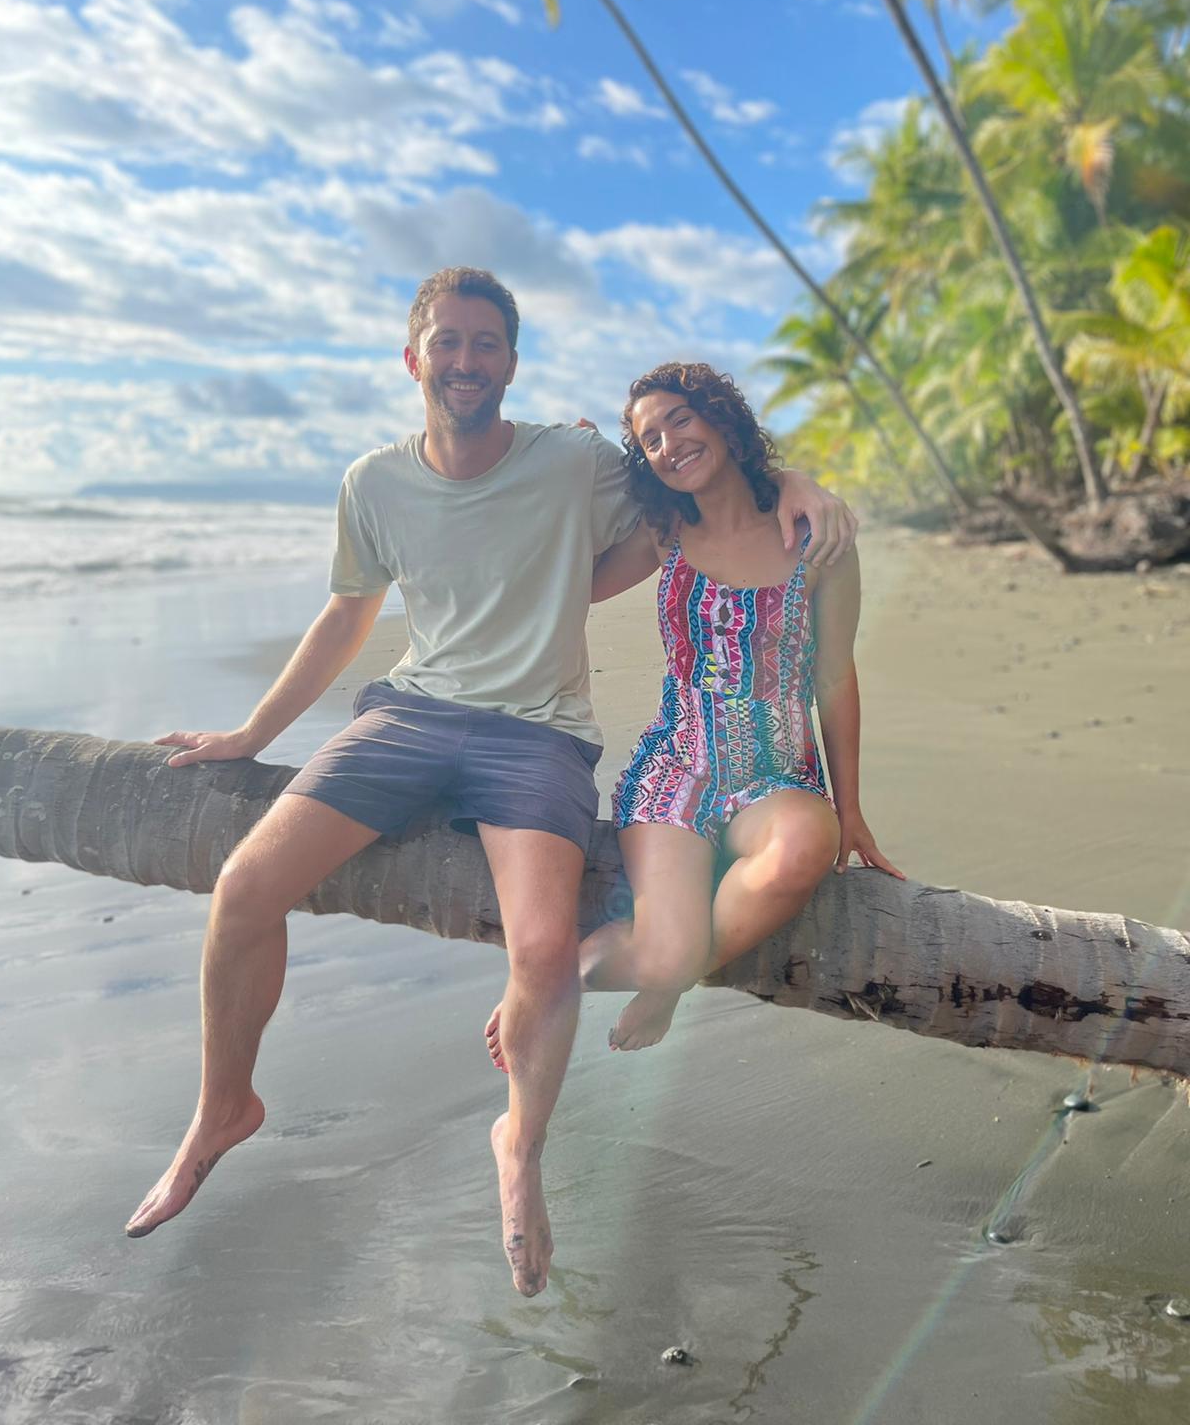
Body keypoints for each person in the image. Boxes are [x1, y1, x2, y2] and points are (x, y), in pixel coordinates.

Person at [122, 269, 857, 1298]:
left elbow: (694, 482)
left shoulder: (574, 458)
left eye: (487, 345)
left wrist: (804, 491)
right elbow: (346, 615)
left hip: (537, 735)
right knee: (247, 887)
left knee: (547, 949)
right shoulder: (372, 482)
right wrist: (253, 730)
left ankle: (520, 1147)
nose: (467, 362)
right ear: (413, 355)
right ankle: (221, 1108)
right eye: (449, 343)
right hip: (408, 715)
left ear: (512, 363)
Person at [576, 362, 901, 1052]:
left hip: (777, 777)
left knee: (800, 851)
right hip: (678, 769)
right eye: (650, 439)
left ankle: (667, 981)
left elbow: (835, 679)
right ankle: (616, 969)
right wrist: (573, 475)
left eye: (680, 421)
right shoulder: (660, 533)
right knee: (609, 963)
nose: (668, 445)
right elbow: (574, 585)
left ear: (720, 418)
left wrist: (852, 810)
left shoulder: (818, 541)